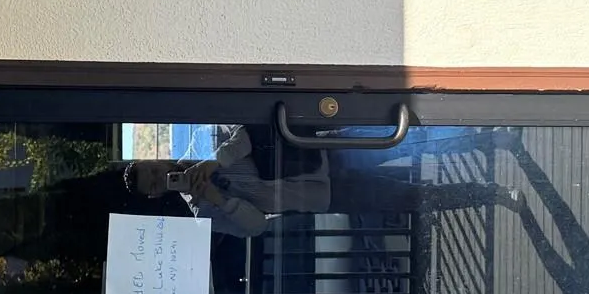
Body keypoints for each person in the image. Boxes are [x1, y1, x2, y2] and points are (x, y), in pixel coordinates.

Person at [125, 124, 520, 238]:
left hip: (326, 151)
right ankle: (493, 194)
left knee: (412, 145)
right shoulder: (203, 212)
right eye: (156, 185)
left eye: (156, 171)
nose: (163, 178)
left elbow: (248, 131)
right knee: (415, 197)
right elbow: (257, 226)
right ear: (158, 196)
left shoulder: (200, 140)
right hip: (325, 195)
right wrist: (217, 198)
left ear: (156, 159)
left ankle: (491, 138)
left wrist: (214, 161)